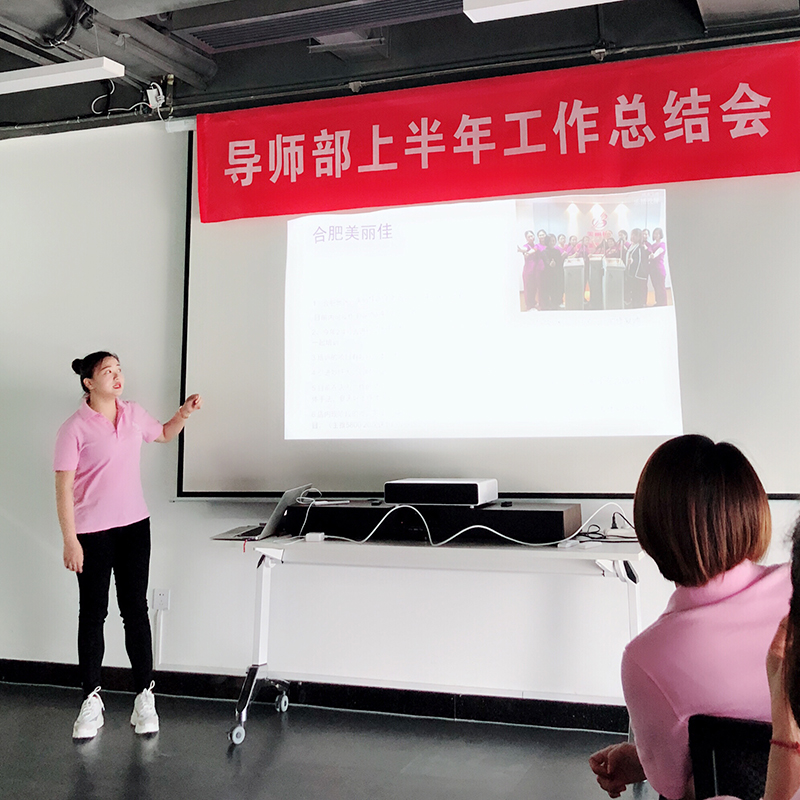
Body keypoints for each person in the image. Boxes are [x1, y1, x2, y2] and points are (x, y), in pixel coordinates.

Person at [589, 434, 790, 800]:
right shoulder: (797, 585)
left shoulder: (645, 659)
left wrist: (641, 759)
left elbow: (671, 784)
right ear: (754, 510)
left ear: (651, 531)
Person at [54, 351, 203, 740]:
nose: (118, 376)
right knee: (93, 614)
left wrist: (183, 413)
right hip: (91, 534)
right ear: (89, 383)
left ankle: (144, 698)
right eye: (108, 372)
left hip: (135, 528)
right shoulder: (73, 428)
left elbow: (164, 434)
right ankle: (91, 701)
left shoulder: (133, 414)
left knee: (135, 610)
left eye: (119, 370)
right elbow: (64, 489)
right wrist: (70, 540)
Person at [648, 227, 668, 307]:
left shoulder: (662, 244)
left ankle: (663, 304)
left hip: (659, 269)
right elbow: (649, 253)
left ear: (660, 235)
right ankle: (658, 302)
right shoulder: (652, 245)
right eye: (654, 233)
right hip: (652, 269)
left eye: (657, 233)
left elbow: (659, 252)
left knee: (661, 287)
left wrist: (653, 255)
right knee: (656, 287)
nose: (656, 235)